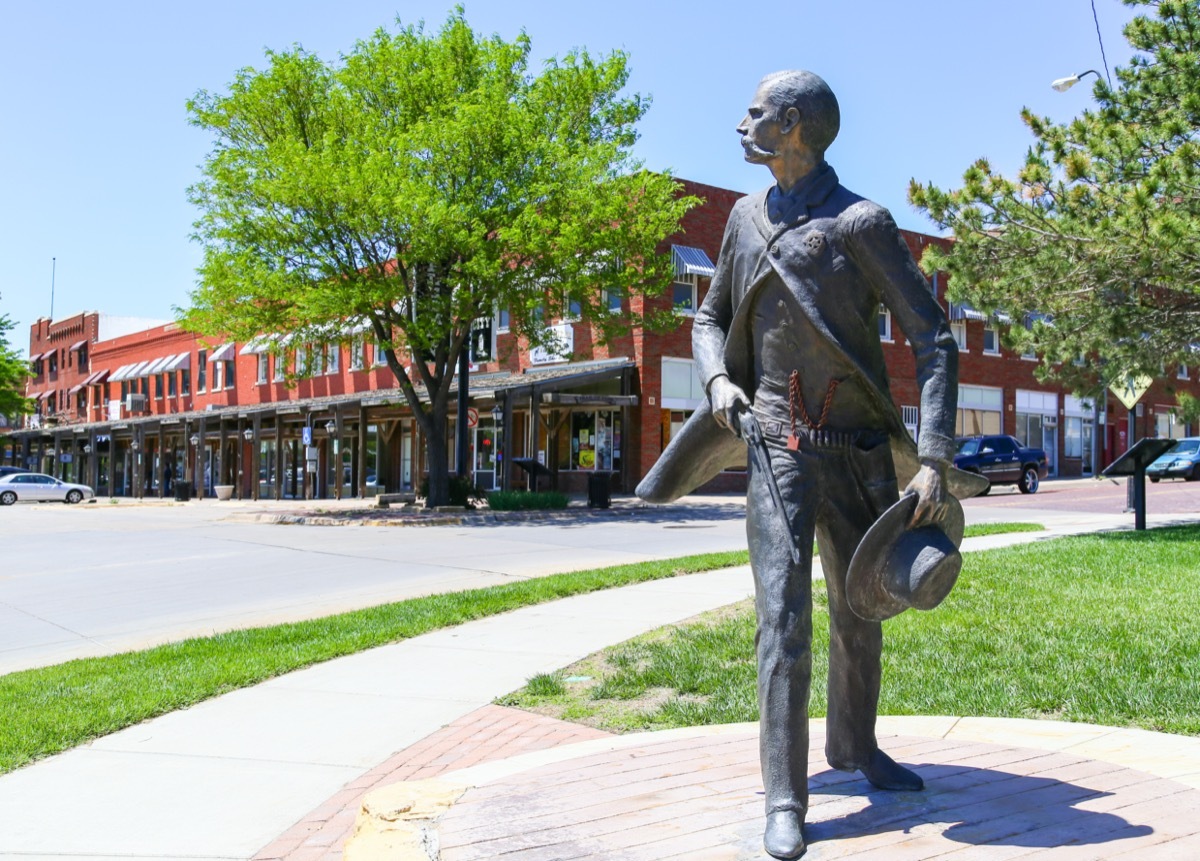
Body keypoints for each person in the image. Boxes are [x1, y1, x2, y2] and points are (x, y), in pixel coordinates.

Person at [636, 70, 980, 859]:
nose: (742, 123)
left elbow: (933, 338)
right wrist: (719, 379)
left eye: (755, 113)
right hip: (776, 450)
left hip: (859, 457)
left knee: (863, 610)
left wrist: (931, 459)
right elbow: (709, 315)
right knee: (782, 625)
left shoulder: (861, 223)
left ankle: (855, 748)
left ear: (791, 124)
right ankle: (785, 796)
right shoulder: (743, 220)